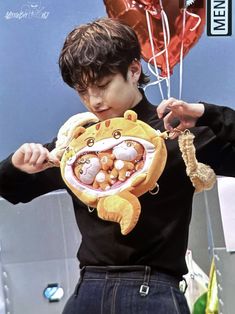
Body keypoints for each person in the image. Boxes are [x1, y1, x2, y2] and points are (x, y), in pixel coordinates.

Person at [0, 17, 235, 314]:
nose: (94, 101)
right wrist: (16, 165)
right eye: (82, 91)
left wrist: (208, 113)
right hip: (88, 290)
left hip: (153, 291)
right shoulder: (77, 143)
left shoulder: (177, 134)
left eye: (102, 85)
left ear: (134, 70)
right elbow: (9, 188)